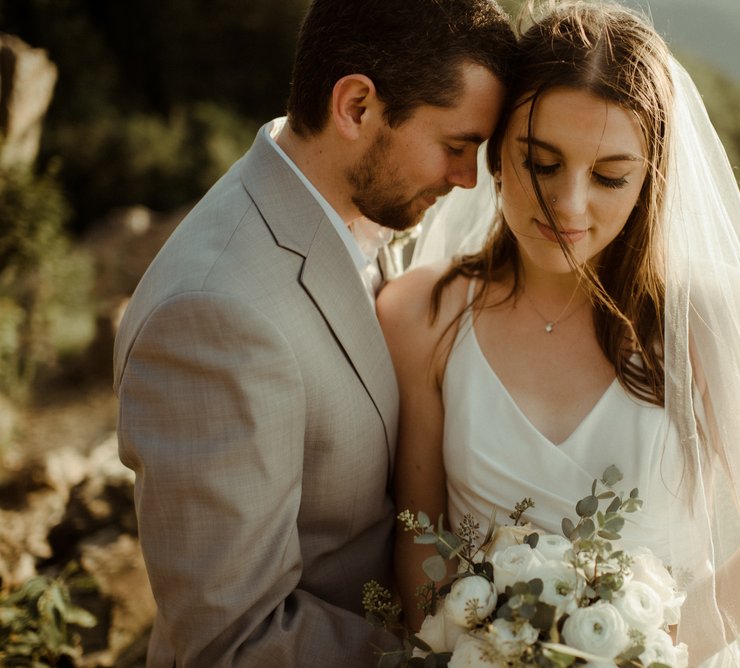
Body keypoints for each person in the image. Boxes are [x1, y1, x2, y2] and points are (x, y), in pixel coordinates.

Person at [377, 2, 740, 666]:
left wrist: (651, 653)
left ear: (650, 179)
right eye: (541, 161)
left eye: (610, 176)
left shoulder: (708, 314)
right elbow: (419, 537)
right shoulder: (424, 310)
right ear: (497, 154)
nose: (569, 204)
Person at [112, 1, 514, 665]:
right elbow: (233, 640)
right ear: (356, 107)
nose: (467, 179)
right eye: (455, 146)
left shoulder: (355, 202)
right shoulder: (214, 316)